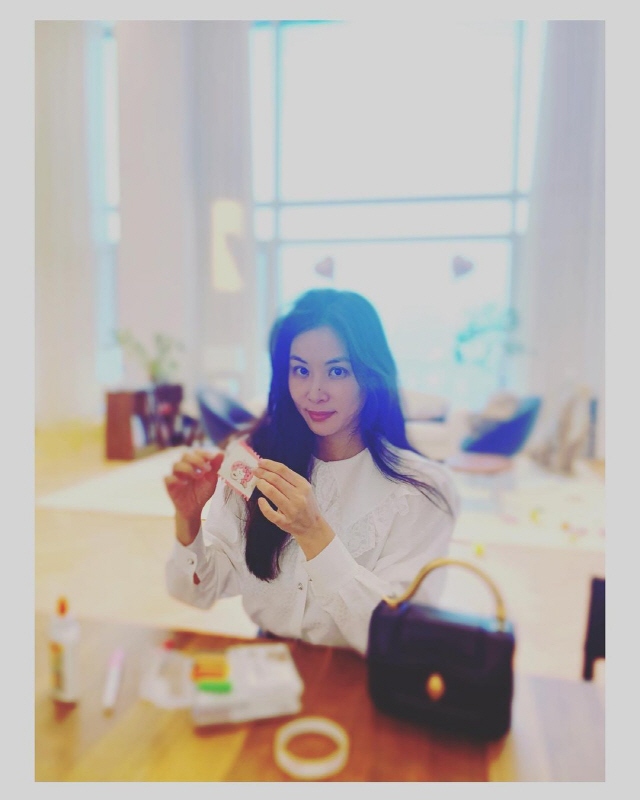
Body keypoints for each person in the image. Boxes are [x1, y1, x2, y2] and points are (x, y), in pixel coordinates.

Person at [164, 288, 460, 655]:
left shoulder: (423, 490)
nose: (314, 392)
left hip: (360, 676)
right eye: (300, 370)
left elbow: (398, 637)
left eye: (337, 371)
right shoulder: (254, 459)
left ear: (371, 374)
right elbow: (198, 591)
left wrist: (314, 533)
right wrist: (188, 520)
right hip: (269, 665)